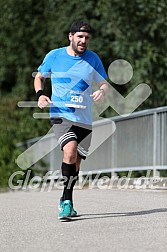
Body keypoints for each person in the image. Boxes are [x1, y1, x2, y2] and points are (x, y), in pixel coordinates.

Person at [34, 20, 108, 220]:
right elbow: (39, 77)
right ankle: (66, 203)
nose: (83, 41)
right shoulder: (55, 56)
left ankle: (67, 199)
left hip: (84, 119)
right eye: (80, 37)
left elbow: (103, 82)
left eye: (86, 38)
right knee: (70, 149)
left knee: (75, 164)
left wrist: (101, 90)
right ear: (70, 36)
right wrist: (41, 94)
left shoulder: (93, 59)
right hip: (61, 115)